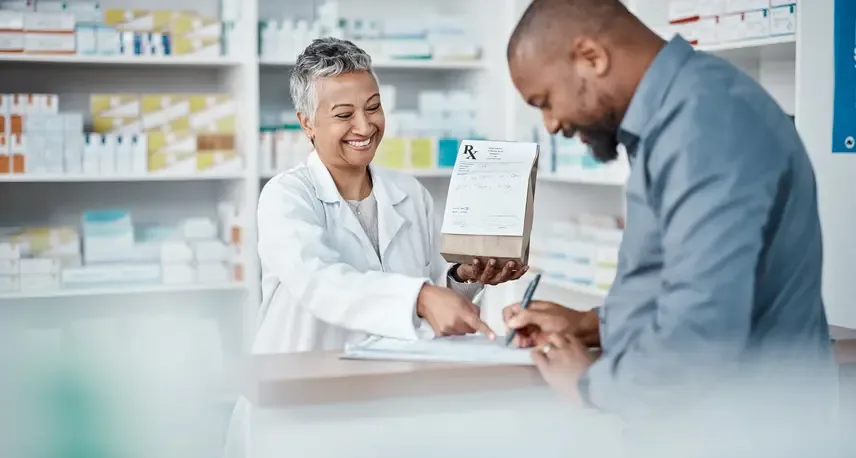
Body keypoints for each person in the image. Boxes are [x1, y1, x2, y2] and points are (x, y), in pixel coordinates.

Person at [502, 0, 835, 427]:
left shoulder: (706, 123)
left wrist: (591, 385)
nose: (550, 124)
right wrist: (590, 325)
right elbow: (685, 280)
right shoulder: (678, 117)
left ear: (592, 57)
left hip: (748, 429)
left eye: (545, 101)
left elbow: (702, 328)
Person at [254, 37, 527, 354]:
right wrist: (421, 296)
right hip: (299, 388)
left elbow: (431, 296)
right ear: (307, 123)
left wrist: (463, 277)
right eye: (344, 115)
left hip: (388, 384)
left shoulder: (409, 193)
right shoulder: (286, 196)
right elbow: (319, 282)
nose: (365, 126)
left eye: (373, 107)